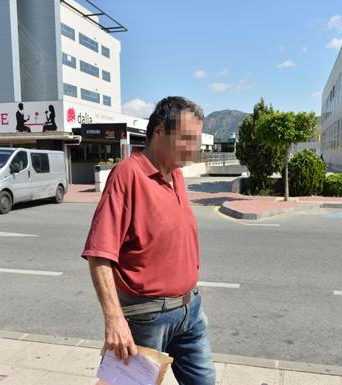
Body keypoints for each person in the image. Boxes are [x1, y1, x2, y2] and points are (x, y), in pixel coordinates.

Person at [81, 96, 215, 385]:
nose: (193, 149)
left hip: (190, 311)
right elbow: (99, 255)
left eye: (197, 140)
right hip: (147, 317)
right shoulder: (127, 175)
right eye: (186, 139)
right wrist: (114, 320)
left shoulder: (176, 175)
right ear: (158, 133)